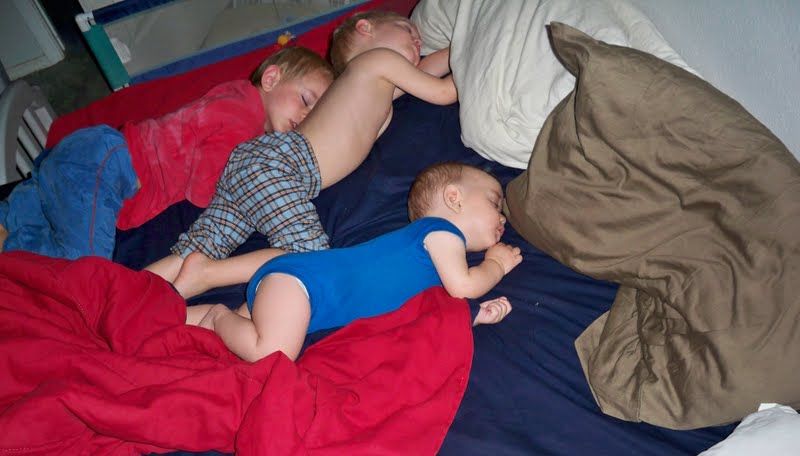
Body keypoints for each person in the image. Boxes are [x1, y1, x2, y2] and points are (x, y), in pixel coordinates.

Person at [145, 9, 457, 287]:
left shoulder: (367, 87)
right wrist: (475, 54)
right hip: (280, 166)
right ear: (365, 28)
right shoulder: (378, 61)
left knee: (201, 244)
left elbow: (424, 73)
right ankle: (209, 274)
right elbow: (443, 91)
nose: (418, 40)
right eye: (408, 29)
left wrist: (457, 49)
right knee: (310, 256)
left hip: (257, 162)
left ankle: (133, 292)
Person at [0, 46, 334, 259]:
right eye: (306, 100)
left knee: (39, 206)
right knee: (86, 267)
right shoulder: (242, 119)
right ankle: (16, 249)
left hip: (91, 156)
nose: (307, 115)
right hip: (107, 164)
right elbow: (208, 188)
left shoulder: (236, 96)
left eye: (316, 113)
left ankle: (9, 222)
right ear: (271, 78)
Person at [186, 162, 523, 362]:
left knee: (218, 341)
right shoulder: (440, 232)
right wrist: (496, 265)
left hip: (297, 297)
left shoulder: (434, 266)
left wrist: (471, 316)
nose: (502, 217)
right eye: (495, 203)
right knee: (273, 354)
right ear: (454, 198)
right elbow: (463, 286)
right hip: (302, 285)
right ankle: (217, 315)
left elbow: (428, 314)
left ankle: (185, 317)